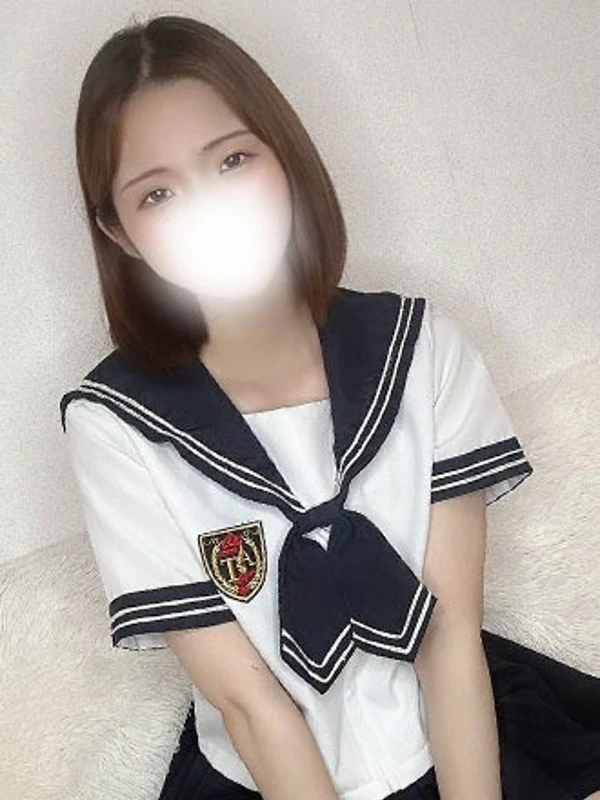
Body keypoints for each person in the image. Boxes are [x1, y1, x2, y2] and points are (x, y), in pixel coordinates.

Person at [59, 13, 600, 800]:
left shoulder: (421, 350)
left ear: (285, 155)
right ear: (120, 231)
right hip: (266, 774)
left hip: (452, 736)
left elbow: (449, 634)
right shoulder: (115, 425)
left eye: (232, 159)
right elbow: (249, 703)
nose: (209, 208)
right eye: (159, 193)